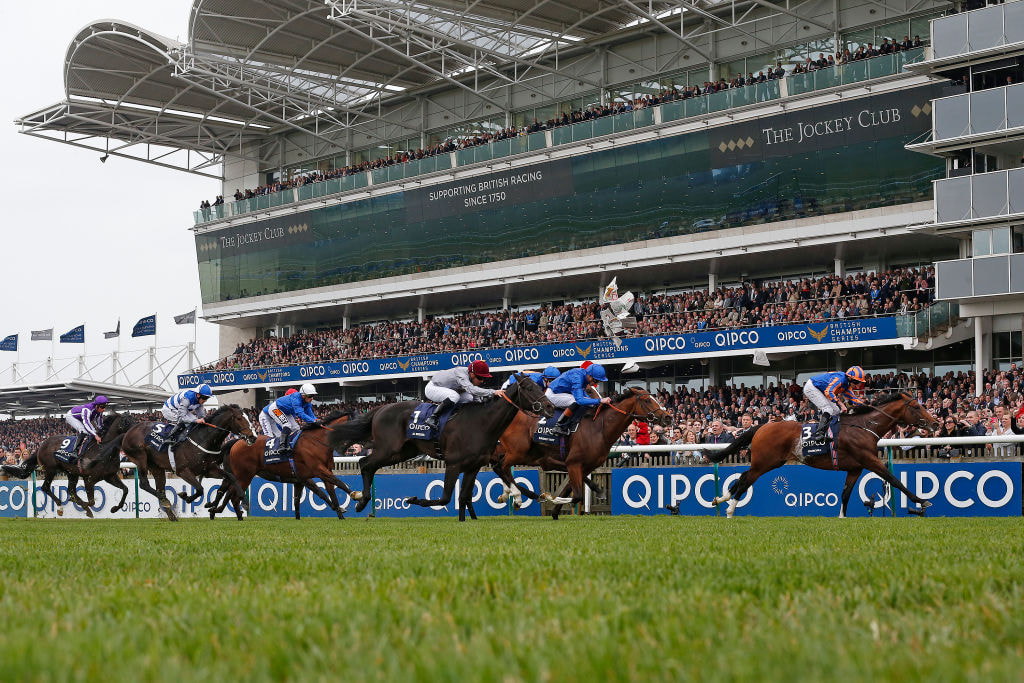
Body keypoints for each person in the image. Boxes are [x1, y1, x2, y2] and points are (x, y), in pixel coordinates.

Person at [422, 360, 495, 429]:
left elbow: (475, 396)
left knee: (469, 397)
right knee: (454, 396)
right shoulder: (462, 375)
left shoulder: (469, 375)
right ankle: (433, 417)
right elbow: (472, 389)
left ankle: (458, 416)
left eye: (484, 378)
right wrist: (493, 392)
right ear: (472, 374)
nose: (482, 381)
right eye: (480, 378)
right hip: (433, 388)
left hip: (448, 389)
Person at [803, 366, 867, 441]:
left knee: (836, 410)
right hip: (812, 387)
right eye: (857, 382)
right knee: (828, 409)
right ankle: (819, 434)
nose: (858, 385)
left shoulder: (846, 384)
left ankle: (831, 432)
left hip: (821, 389)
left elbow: (853, 398)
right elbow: (829, 392)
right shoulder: (840, 379)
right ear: (850, 378)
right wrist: (841, 404)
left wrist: (867, 407)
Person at [547, 363, 611, 435]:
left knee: (588, 403)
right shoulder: (577, 377)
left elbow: (584, 395)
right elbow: (580, 400)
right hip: (552, 395)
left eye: (600, 381)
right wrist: (599, 400)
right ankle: (559, 426)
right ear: (589, 376)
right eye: (596, 381)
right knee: (575, 401)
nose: (597, 383)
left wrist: (596, 403)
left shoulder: (584, 376)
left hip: (562, 394)